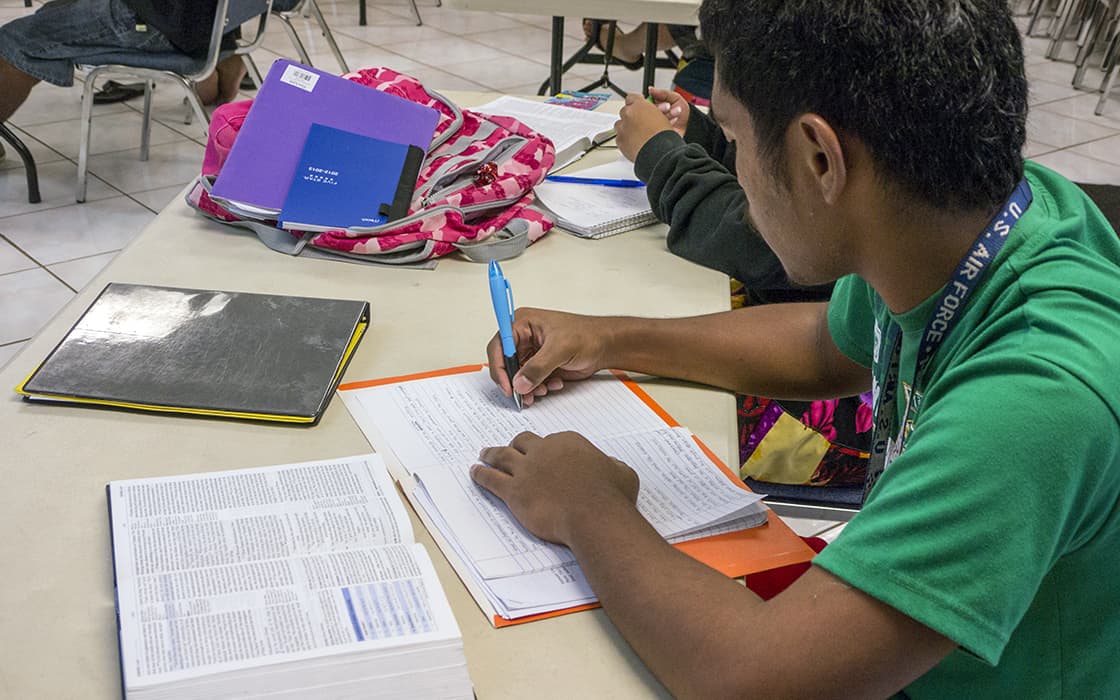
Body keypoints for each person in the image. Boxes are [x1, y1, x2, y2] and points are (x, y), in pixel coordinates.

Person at [473, 0, 1120, 696]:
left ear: (820, 160)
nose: (738, 174)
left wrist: (586, 503)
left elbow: (755, 681)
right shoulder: (961, 222)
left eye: (734, 140)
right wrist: (610, 338)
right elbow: (825, 344)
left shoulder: (1035, 398)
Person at [617, 80, 872, 497]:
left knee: (646, 424)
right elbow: (781, 177)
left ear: (820, 153)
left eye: (736, 135)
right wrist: (706, 138)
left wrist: (661, 153)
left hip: (831, 427)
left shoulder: (815, 238)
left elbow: (752, 239)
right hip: (825, 352)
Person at [0, 0, 245, 127]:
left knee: (14, 40)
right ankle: (216, 64)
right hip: (211, 20)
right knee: (53, 17)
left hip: (157, 20)